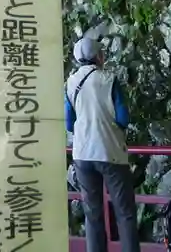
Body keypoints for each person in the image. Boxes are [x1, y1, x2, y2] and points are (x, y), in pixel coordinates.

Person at [66, 34, 139, 252]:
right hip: (110, 152)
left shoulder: (70, 83)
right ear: (98, 56)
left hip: (82, 155)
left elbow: (69, 123)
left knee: (93, 214)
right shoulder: (109, 80)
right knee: (125, 213)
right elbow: (123, 118)